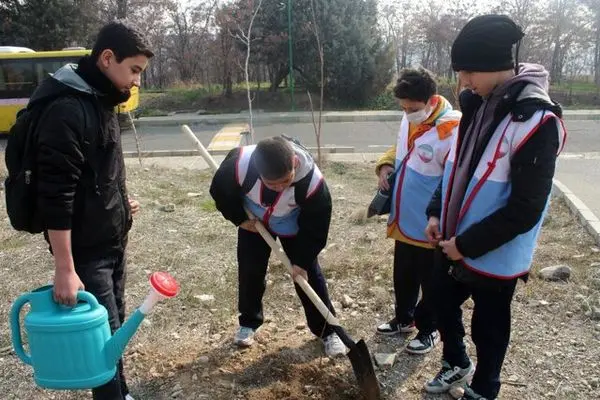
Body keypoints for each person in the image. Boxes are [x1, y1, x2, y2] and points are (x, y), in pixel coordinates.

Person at [423, 15, 566, 400]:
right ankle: (455, 361)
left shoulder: (536, 121)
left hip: (492, 250)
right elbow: (453, 168)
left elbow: (525, 208)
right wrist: (436, 212)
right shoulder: (475, 104)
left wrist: (466, 245)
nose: (463, 82)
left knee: (489, 325)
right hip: (452, 237)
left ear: (492, 65)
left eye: (469, 72)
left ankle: (485, 386)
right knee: (437, 299)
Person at [34, 21, 153, 400]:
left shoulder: (101, 99)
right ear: (107, 58)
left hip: (112, 241)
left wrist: (120, 203)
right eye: (134, 70)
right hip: (87, 252)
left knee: (114, 327)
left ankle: (121, 392)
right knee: (102, 337)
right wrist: (65, 269)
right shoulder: (68, 109)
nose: (136, 82)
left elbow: (99, 173)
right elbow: (56, 195)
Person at [209, 136, 346, 357]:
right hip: (254, 219)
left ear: (294, 162)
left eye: (285, 180)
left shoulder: (312, 183)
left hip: (292, 221)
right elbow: (220, 190)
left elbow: (317, 226)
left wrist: (301, 261)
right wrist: (239, 219)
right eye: (272, 184)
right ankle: (248, 322)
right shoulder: (240, 164)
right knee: (250, 270)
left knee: (308, 275)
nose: (280, 187)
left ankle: (328, 331)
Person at [374, 68, 461, 354]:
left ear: (432, 100)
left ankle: (429, 329)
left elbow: (453, 180)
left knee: (432, 282)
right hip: (404, 218)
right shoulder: (412, 116)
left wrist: (440, 216)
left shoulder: (452, 129)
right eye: (403, 107)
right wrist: (386, 164)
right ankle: (404, 319)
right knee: (404, 276)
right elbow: (402, 148)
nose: (407, 112)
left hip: (428, 223)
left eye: (412, 108)